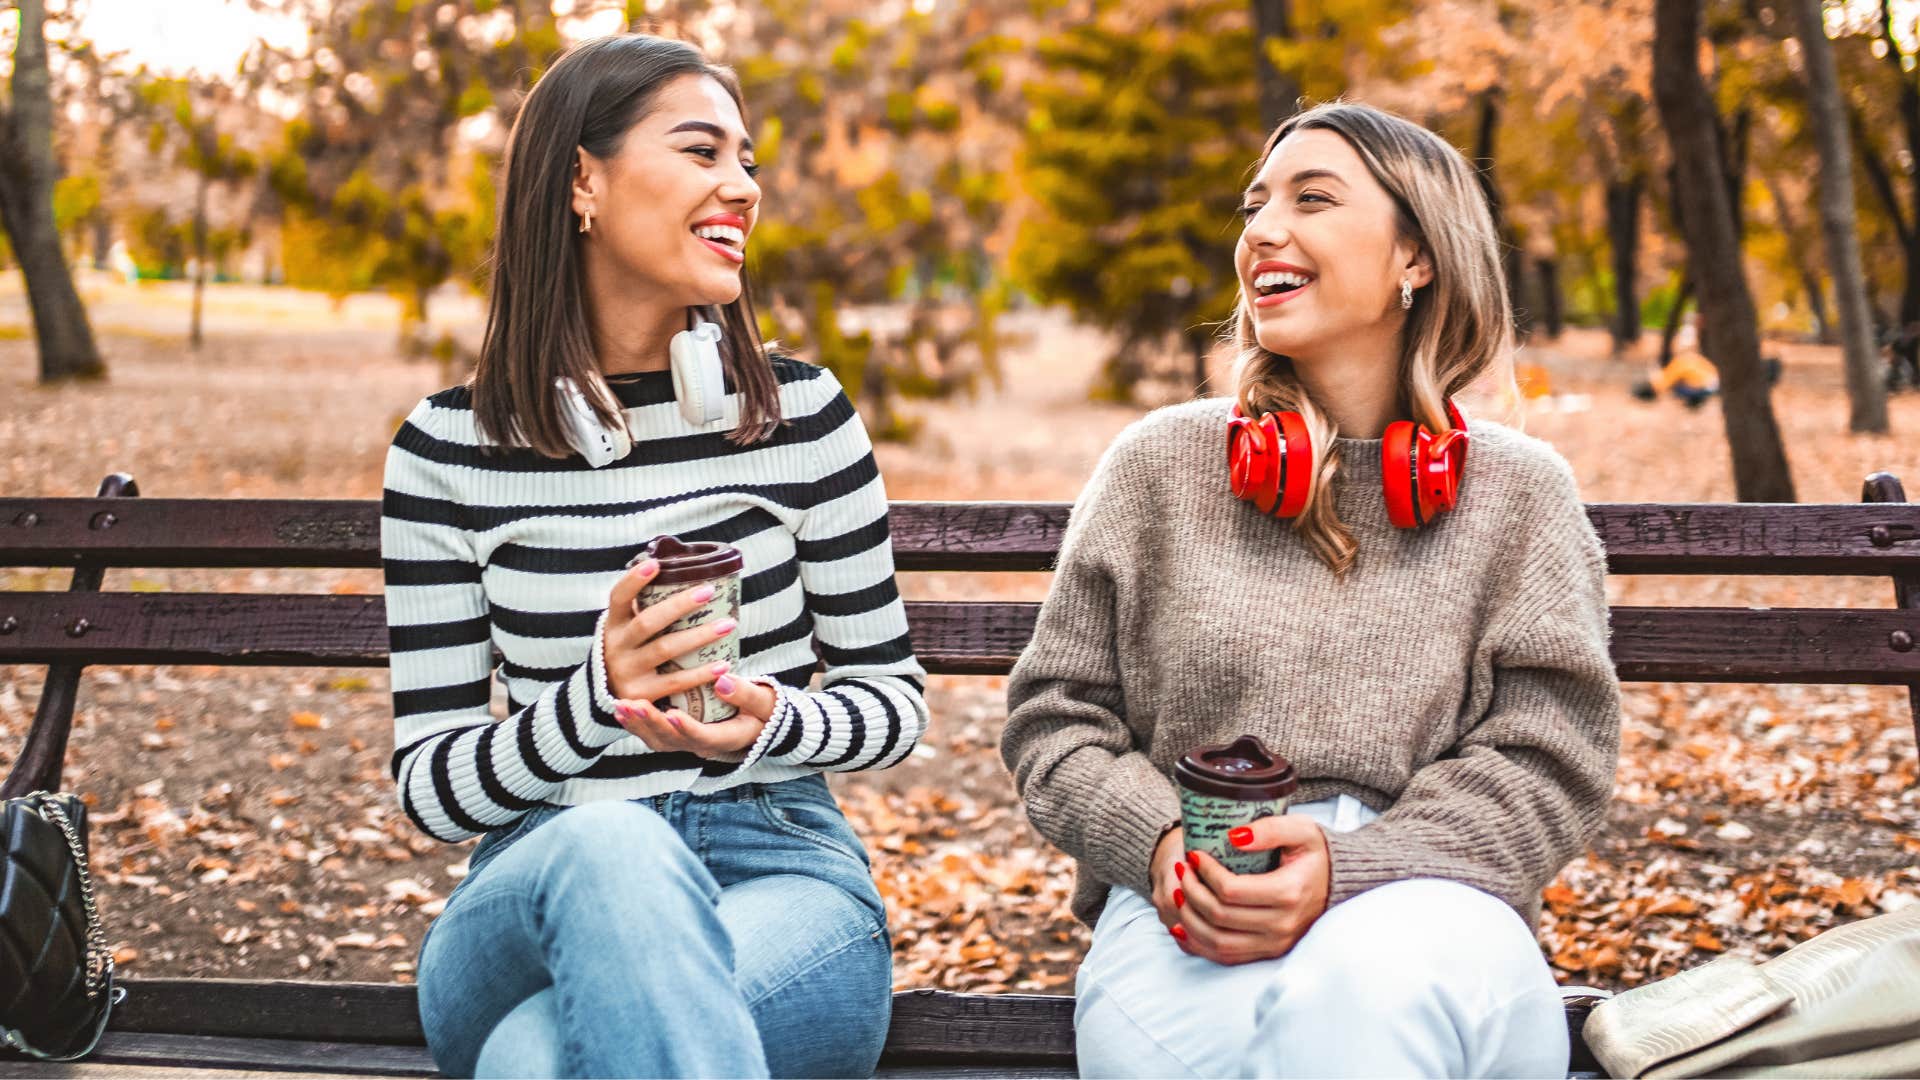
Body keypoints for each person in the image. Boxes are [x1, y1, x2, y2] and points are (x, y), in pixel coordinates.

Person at [1000, 101, 1622, 1078]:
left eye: (1313, 198)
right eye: (1255, 205)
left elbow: (1552, 762)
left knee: (1358, 1000)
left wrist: (1348, 868)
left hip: (1434, 897)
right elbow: (1056, 721)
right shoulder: (1157, 468)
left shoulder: (1522, 494)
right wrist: (1160, 840)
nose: (1262, 230)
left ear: (1417, 258)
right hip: (1192, 899)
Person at [380, 34, 928, 1079]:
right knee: (611, 844)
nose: (742, 187)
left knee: (533, 1064)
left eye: (748, 162)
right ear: (581, 179)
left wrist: (778, 721)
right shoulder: (446, 454)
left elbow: (893, 703)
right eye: (701, 151)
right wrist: (597, 697)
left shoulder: (803, 419)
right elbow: (432, 787)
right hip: (536, 883)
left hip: (780, 864)